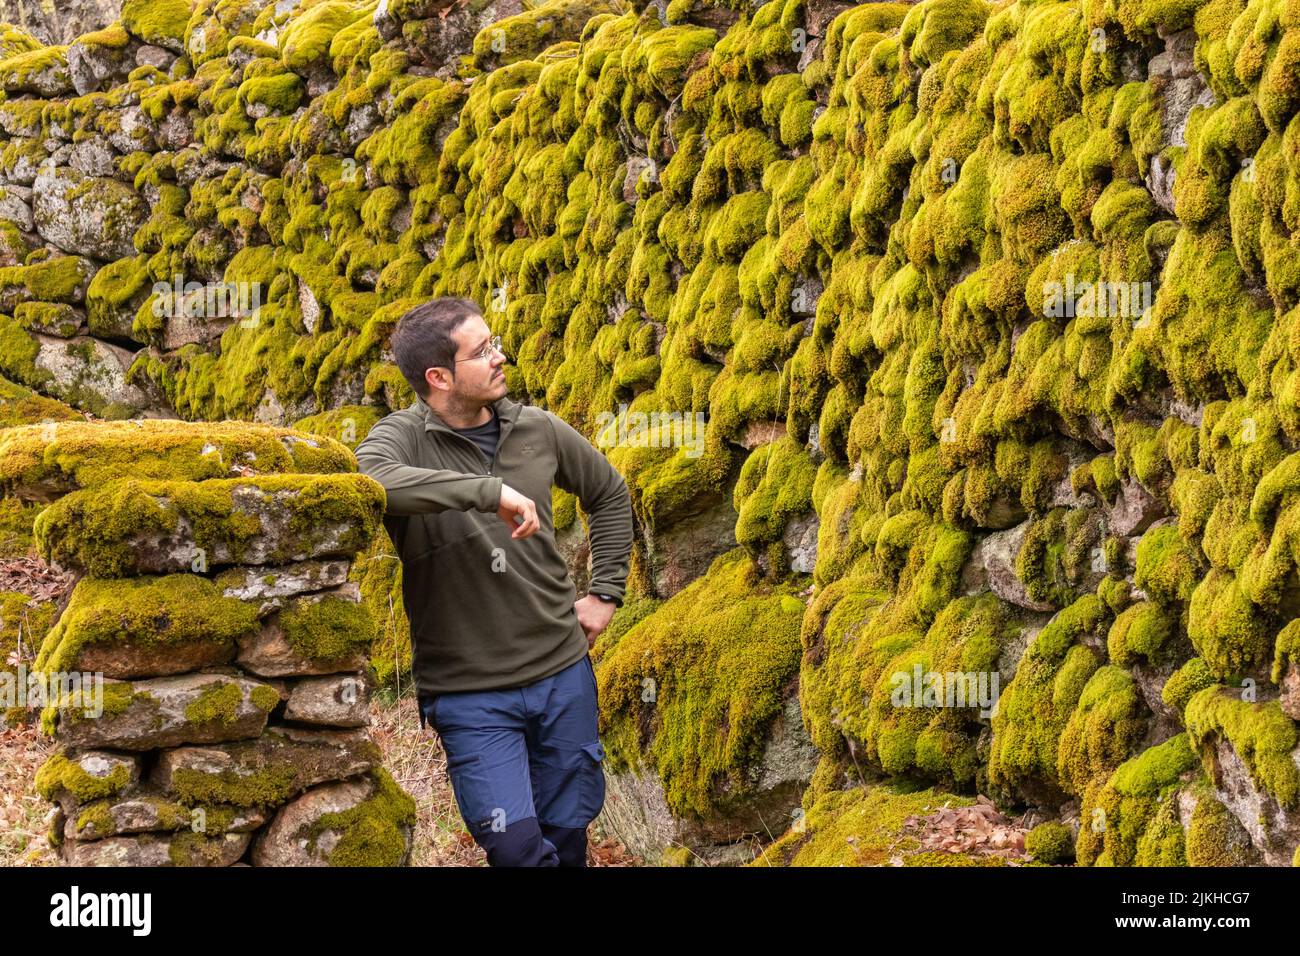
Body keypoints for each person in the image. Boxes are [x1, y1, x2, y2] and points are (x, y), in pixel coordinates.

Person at [354, 296, 634, 867]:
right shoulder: (401, 438)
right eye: (481, 352)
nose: (500, 357)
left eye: (493, 342)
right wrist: (488, 492)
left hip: (562, 670)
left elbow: (609, 495)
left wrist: (605, 593)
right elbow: (369, 479)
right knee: (514, 847)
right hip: (469, 691)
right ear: (438, 377)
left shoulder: (538, 430)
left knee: (568, 834)